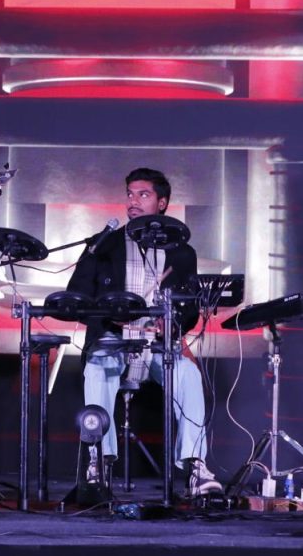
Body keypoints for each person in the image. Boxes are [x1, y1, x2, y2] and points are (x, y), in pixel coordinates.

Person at [66, 168, 222, 496]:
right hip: (112, 340)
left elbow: (189, 308)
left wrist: (172, 324)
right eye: (130, 194)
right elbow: (76, 294)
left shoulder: (181, 252)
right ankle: (99, 462)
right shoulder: (103, 245)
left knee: (189, 376)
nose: (133, 201)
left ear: (162, 203)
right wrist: (109, 315)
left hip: (158, 345)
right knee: (97, 371)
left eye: (143, 194)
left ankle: (195, 466)